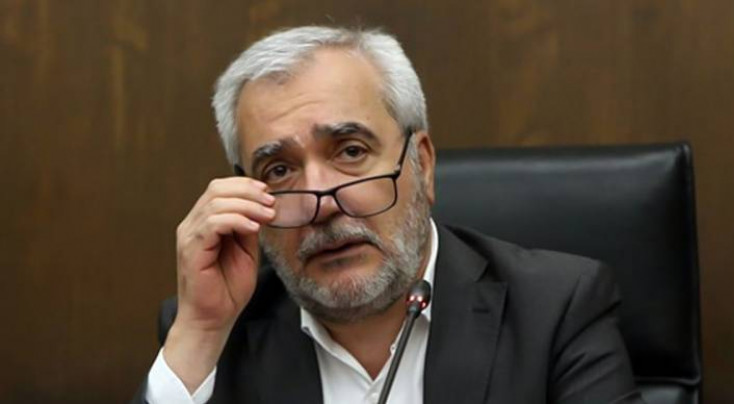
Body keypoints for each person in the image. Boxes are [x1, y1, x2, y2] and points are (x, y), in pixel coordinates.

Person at [132, 26, 643, 404]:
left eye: (351, 151)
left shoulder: (555, 310)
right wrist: (200, 334)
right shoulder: (216, 331)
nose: (322, 200)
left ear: (421, 164)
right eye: (280, 170)